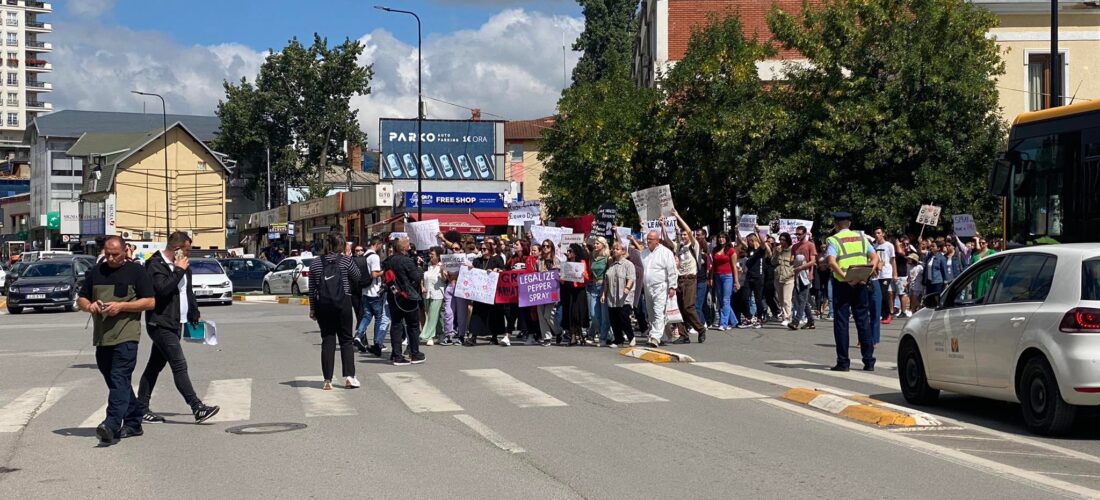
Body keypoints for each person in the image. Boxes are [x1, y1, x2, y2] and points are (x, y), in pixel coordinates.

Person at [78, 236, 156, 445]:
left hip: (126, 335)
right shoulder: (96, 272)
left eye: (115, 254)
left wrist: (121, 307)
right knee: (114, 381)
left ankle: (111, 425)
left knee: (119, 377)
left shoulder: (137, 271)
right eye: (107, 253)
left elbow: (149, 302)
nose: (110, 258)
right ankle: (134, 421)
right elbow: (81, 298)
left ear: (125, 252)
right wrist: (90, 306)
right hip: (102, 337)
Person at [138, 231, 220, 424]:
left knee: (154, 366)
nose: (188, 254)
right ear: (177, 249)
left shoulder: (183, 266)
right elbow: (163, 290)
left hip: (176, 322)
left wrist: (194, 312)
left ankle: (140, 408)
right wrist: (178, 270)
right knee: (179, 364)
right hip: (160, 322)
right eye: (187, 250)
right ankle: (197, 407)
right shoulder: (155, 264)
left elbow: (187, 291)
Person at [825, 212, 880, 372]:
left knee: (842, 322)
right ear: (849, 223)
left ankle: (843, 362)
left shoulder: (833, 240)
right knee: (863, 321)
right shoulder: (861, 238)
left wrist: (846, 277)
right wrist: (867, 273)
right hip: (861, 282)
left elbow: (831, 261)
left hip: (843, 284)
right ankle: (868, 361)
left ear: (836, 224)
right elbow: (875, 257)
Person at [308, 231, 362, 390]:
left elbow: (312, 289)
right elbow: (358, 276)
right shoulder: (345, 261)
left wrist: (313, 309)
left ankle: (327, 380)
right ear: (343, 245)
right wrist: (349, 257)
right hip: (343, 302)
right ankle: (349, 377)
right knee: (346, 340)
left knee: (328, 340)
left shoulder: (316, 263)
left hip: (323, 305)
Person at [384, 238, 425, 365]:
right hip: (408, 296)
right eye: (408, 246)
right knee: (412, 325)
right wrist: (419, 267)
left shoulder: (388, 261)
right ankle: (415, 353)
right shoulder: (406, 261)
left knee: (396, 324)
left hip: (393, 295)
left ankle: (396, 355)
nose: (409, 248)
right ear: (403, 248)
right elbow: (417, 277)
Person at [669, 210, 706, 343]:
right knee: (679, 308)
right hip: (680, 279)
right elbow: (666, 240)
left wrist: (678, 216)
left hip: (690, 279)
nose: (683, 236)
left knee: (688, 307)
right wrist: (662, 225)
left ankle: (700, 328)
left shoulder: (694, 246)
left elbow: (689, 231)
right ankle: (684, 335)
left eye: (685, 235)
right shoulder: (679, 247)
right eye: (682, 235)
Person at [640, 230, 678, 348]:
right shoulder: (644, 253)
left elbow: (672, 271)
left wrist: (672, 286)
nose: (648, 241)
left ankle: (655, 337)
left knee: (658, 311)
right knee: (651, 313)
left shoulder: (666, 252)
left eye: (651, 239)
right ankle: (664, 336)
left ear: (657, 240)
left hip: (661, 286)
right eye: (647, 239)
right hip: (647, 287)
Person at [467, 239, 506, 346]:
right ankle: (473, 336)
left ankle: (494, 336)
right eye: (481, 249)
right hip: (479, 292)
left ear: (490, 249)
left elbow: (503, 271)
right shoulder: (477, 260)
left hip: (492, 293)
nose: (482, 250)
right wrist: (470, 268)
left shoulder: (497, 259)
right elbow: (472, 272)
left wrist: (496, 270)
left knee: (493, 314)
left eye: (485, 249)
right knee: (477, 313)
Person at [354, 237, 388, 357]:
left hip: (364, 291)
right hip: (374, 291)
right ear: (377, 244)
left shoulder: (364, 255)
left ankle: (358, 335)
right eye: (380, 245)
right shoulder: (374, 257)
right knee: (379, 317)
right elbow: (374, 274)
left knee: (367, 316)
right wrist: (383, 271)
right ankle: (377, 342)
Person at [601, 240, 636, 347]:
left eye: (617, 249)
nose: (614, 251)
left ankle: (631, 337)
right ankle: (618, 339)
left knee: (624, 317)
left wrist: (627, 287)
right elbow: (606, 281)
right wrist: (603, 294)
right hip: (612, 296)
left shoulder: (628, 264)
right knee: (614, 319)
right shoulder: (611, 265)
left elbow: (631, 278)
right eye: (614, 249)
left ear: (623, 251)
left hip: (624, 297)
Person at [560, 243, 591, 346]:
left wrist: (583, 275)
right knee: (569, 313)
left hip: (579, 291)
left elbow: (586, 279)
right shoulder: (566, 264)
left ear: (575, 253)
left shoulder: (581, 262)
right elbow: (563, 281)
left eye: (570, 251)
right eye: (568, 251)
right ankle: (573, 336)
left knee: (577, 314)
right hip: (568, 291)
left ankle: (579, 334)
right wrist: (562, 278)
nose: (568, 253)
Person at [789, 226, 818, 330]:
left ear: (805, 234)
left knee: (802, 299)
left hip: (806, 276)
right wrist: (794, 261)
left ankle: (796, 321)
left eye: (800, 234)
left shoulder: (810, 245)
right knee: (803, 300)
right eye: (796, 234)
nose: (798, 236)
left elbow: (813, 261)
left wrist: (801, 267)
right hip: (797, 276)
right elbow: (791, 260)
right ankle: (811, 321)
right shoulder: (795, 246)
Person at [535, 239, 562, 346]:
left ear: (551, 248)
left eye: (547, 246)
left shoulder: (556, 260)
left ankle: (558, 331)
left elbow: (560, 275)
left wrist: (555, 270)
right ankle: (547, 337)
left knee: (548, 314)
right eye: (544, 246)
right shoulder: (538, 261)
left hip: (552, 290)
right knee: (541, 314)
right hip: (540, 290)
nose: (545, 248)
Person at [585, 237, 611, 346]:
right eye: (595, 243)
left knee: (604, 315)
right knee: (594, 314)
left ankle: (604, 337)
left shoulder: (607, 258)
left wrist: (605, 291)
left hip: (603, 286)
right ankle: (607, 335)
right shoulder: (593, 256)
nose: (595, 245)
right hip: (593, 286)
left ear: (603, 245)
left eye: (597, 243)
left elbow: (609, 275)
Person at [711, 232, 739, 330]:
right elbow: (713, 265)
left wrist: (736, 281)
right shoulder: (715, 250)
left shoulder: (731, 250)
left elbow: (734, 267)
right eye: (719, 237)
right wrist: (711, 277)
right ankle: (734, 321)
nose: (721, 239)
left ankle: (723, 323)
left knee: (725, 300)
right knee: (721, 300)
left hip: (728, 276)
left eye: (723, 237)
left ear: (726, 239)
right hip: (717, 276)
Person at [420, 247, 447, 345]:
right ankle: (440, 333)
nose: (430, 256)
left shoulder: (442, 266)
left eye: (433, 254)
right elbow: (422, 278)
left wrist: (442, 271)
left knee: (432, 314)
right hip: (427, 294)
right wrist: (422, 287)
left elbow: (444, 279)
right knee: (436, 316)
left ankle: (428, 336)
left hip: (438, 294)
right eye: (430, 254)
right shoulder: (427, 265)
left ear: (438, 256)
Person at [872, 228, 896, 325]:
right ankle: (882, 314)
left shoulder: (889, 245)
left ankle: (888, 314)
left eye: (879, 233)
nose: (877, 235)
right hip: (878, 274)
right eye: (875, 233)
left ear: (883, 234)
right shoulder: (875, 246)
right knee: (878, 294)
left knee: (884, 293)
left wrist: (895, 273)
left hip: (886, 273)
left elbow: (893, 260)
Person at [772, 232, 795, 327]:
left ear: (787, 240)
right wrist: (777, 254)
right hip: (778, 277)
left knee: (786, 299)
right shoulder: (777, 250)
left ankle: (787, 318)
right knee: (781, 299)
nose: (781, 242)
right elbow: (773, 262)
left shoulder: (792, 250)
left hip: (788, 277)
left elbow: (795, 263)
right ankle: (785, 315)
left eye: (783, 240)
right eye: (780, 240)